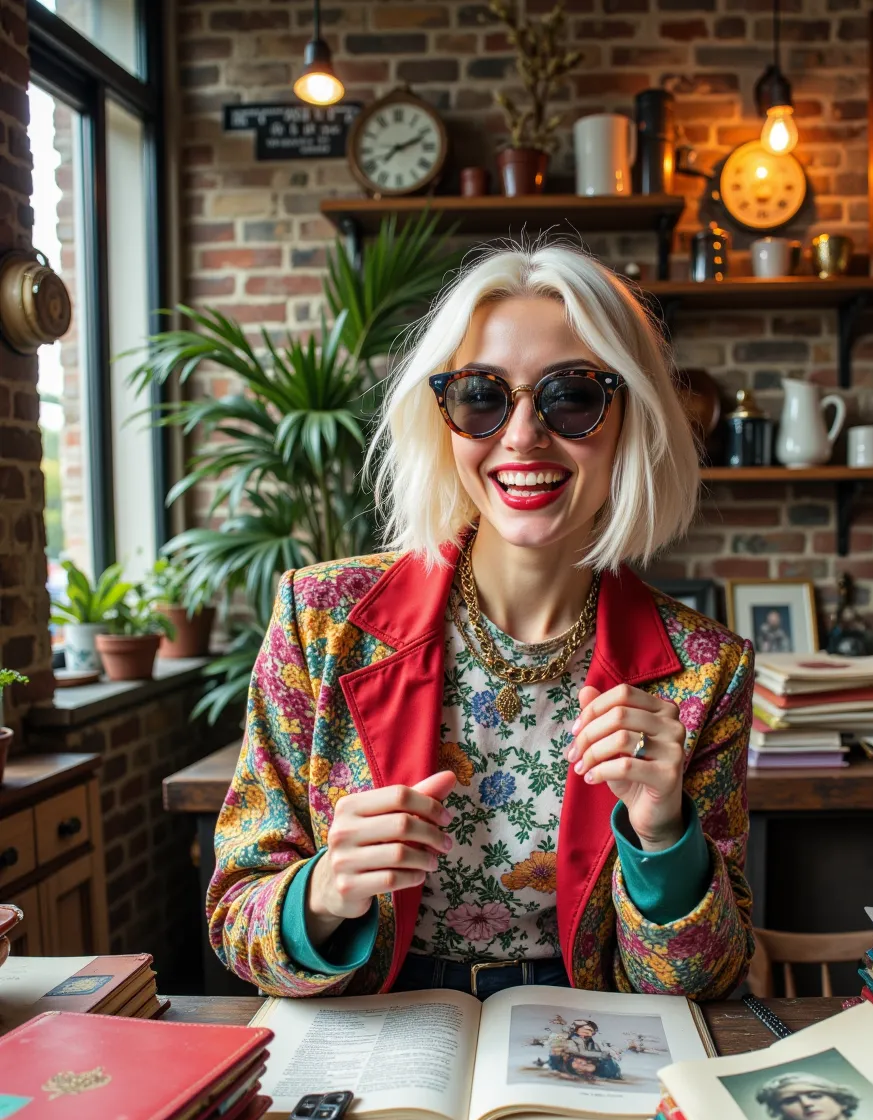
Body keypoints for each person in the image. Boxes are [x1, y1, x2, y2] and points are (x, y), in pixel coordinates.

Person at [208, 241, 755, 1000]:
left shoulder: (706, 671)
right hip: (376, 1031)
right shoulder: (319, 621)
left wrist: (665, 839)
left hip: (583, 1033)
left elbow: (708, 981)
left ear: (631, 417)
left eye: (570, 397)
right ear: (445, 421)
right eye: (482, 396)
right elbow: (237, 924)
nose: (524, 436)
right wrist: (326, 890)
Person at [545, 1018, 622, 1079]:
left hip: (589, 1062)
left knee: (608, 1065)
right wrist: (601, 1054)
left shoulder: (592, 1043)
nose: (588, 1032)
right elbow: (580, 1052)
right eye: (586, 1030)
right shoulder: (571, 1040)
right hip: (569, 1061)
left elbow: (596, 1053)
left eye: (591, 1031)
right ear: (577, 1030)